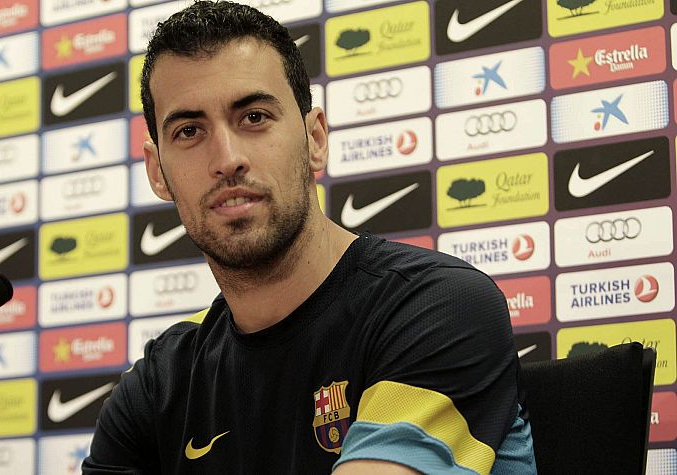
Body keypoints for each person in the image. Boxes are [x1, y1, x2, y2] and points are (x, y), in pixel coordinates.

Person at [83, 1, 536, 473]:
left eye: (254, 117)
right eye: (189, 130)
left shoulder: (439, 305)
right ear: (158, 172)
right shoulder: (160, 383)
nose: (227, 158)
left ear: (315, 139)